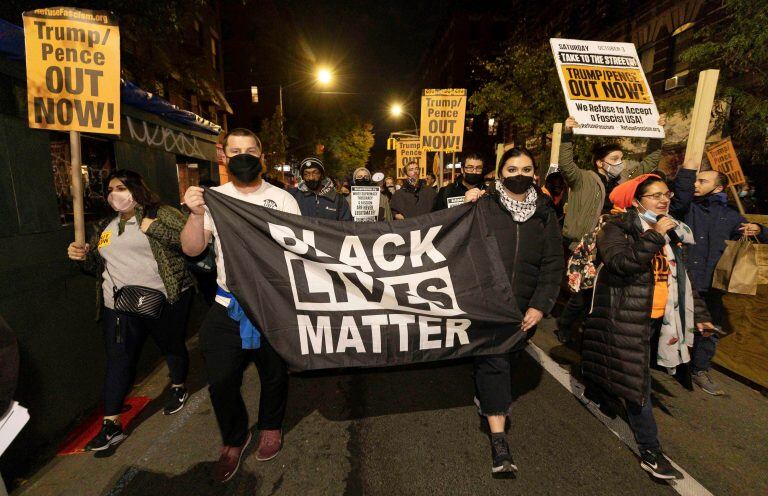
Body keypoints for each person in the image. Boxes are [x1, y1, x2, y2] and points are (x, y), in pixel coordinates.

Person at [180, 128, 301, 483]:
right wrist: (194, 213)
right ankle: (234, 437)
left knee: (275, 374)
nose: (243, 156)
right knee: (220, 381)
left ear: (261, 156)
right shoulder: (213, 198)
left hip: (273, 305)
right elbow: (192, 249)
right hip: (227, 306)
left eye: (250, 150)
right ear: (224, 157)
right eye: (235, 151)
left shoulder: (283, 199)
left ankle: (270, 426)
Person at [581, 174, 715, 480]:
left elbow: (680, 279)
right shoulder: (616, 227)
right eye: (654, 195)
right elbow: (621, 263)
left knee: (624, 370)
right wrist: (653, 235)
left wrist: (700, 314)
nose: (663, 200)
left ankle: (598, 386)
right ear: (636, 200)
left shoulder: (673, 231)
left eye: (665, 194)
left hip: (661, 320)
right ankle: (651, 451)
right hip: (625, 316)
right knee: (638, 382)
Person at [67, 169, 195, 451]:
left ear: (137, 189)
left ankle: (178, 386)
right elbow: (95, 267)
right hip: (119, 305)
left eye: (121, 187)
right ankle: (111, 425)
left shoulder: (162, 213)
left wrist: (155, 228)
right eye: (111, 189)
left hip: (164, 298)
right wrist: (81, 257)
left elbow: (191, 243)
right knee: (118, 359)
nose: (115, 194)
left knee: (171, 345)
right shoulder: (105, 226)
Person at [463, 148, 564, 477]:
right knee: (495, 362)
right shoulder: (483, 204)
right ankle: (499, 439)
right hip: (488, 304)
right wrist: (464, 208)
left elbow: (552, 263)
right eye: (511, 168)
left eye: (525, 168)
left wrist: (540, 305)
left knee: (506, 360)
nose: (518, 174)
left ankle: (487, 393)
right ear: (499, 172)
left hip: (526, 306)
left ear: (535, 173)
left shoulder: (546, 212)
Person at [554, 115, 666, 345]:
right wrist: (567, 134)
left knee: (603, 290)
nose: (620, 163)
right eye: (615, 159)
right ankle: (565, 326)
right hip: (586, 244)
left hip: (614, 242)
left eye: (622, 158)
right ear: (600, 162)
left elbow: (649, 162)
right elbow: (566, 164)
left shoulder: (626, 181)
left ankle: (592, 329)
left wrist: (657, 133)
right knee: (584, 290)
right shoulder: (583, 179)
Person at [669, 164, 767, 395]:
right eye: (696, 180)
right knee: (673, 321)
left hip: (712, 282)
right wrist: (688, 170)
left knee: (708, 328)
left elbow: (760, 236)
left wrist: (758, 229)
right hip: (682, 277)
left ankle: (700, 369)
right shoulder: (686, 207)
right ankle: (667, 362)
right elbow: (680, 197)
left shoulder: (731, 215)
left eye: (703, 181)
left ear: (719, 187)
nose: (696, 184)